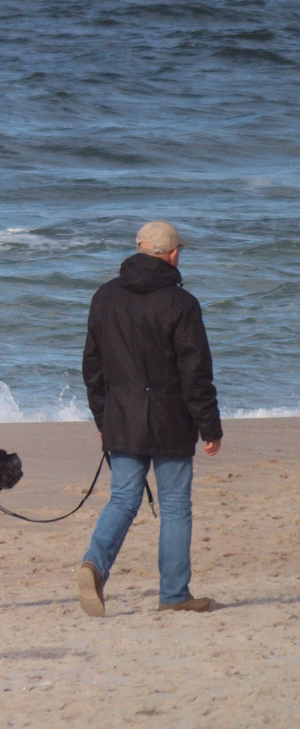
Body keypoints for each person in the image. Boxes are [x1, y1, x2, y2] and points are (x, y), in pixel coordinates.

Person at [77, 220, 222, 617]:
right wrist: (210, 426)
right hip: (170, 417)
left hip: (121, 416)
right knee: (175, 505)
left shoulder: (104, 296)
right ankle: (174, 595)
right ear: (172, 254)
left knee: (123, 498)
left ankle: (94, 564)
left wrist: (101, 415)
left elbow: (92, 366)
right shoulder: (181, 303)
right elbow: (196, 372)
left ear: (141, 250)